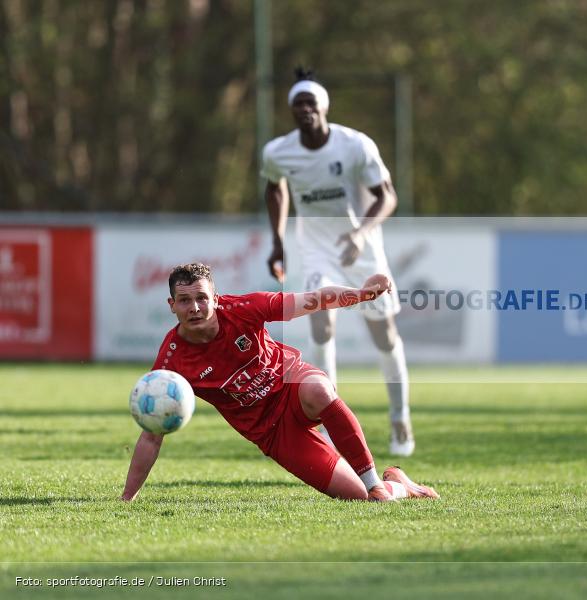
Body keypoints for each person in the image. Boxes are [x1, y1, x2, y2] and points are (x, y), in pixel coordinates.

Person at [120, 263, 438, 502]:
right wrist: (127, 499)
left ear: (215, 299)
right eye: (185, 301)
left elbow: (315, 299)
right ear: (171, 305)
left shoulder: (244, 309)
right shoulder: (171, 361)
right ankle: (398, 484)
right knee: (357, 498)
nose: (195, 308)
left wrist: (361, 294)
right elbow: (151, 437)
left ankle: (375, 484)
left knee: (320, 390)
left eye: (202, 298)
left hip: (292, 385)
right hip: (272, 433)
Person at [261, 68, 414, 456]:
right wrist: (277, 241)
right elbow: (274, 189)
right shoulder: (279, 151)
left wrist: (361, 233)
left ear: (324, 106)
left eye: (311, 103)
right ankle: (329, 422)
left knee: (384, 335)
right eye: (298, 105)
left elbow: (387, 195)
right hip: (316, 250)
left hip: (362, 248)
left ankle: (400, 418)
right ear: (291, 111)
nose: (305, 110)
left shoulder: (355, 145)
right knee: (320, 319)